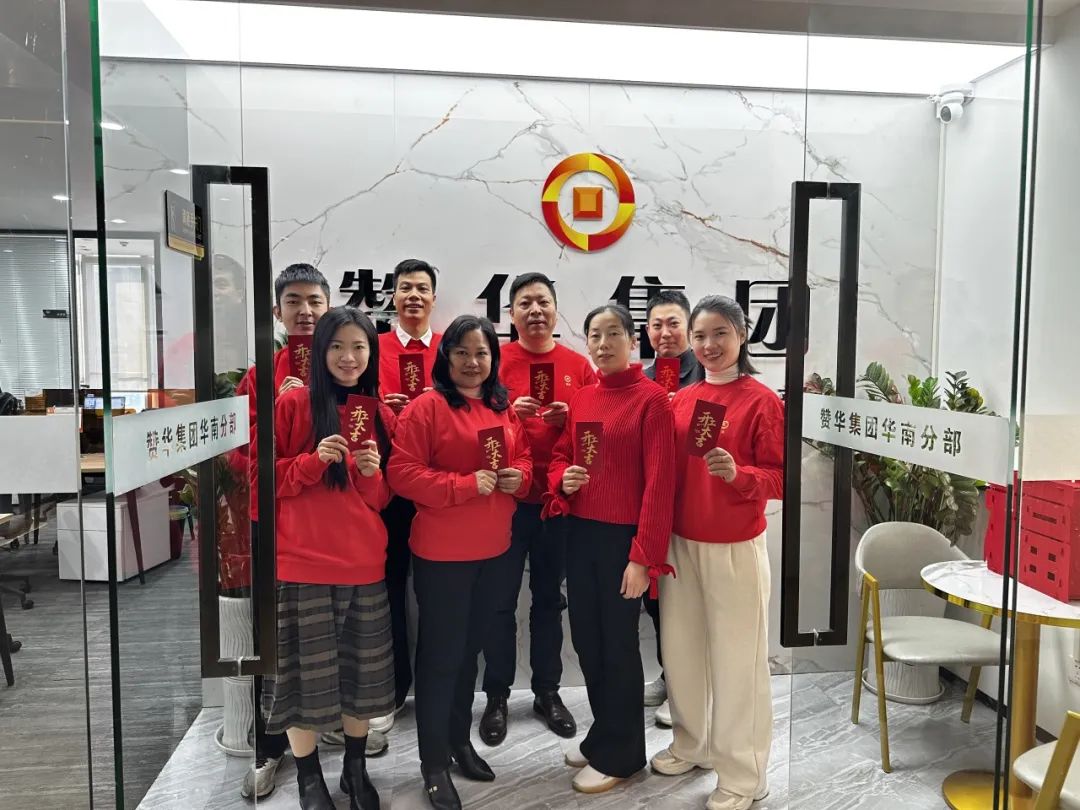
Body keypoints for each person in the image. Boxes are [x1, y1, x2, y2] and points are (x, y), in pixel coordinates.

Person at [387, 315, 532, 810]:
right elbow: (402, 474)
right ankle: (432, 763)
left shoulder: (502, 406)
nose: (472, 362)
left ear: (494, 359)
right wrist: (464, 485)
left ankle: (458, 742)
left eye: (482, 353)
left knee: (470, 654)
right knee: (440, 657)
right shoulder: (426, 408)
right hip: (444, 555)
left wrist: (519, 477)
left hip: (496, 550)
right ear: (445, 357)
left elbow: (524, 457)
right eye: (462, 352)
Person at [649, 295, 782, 810]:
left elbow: (780, 478)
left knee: (737, 663)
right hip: (681, 545)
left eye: (720, 333)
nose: (708, 345)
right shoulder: (682, 400)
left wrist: (740, 475)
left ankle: (745, 775)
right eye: (700, 336)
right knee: (682, 652)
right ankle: (692, 743)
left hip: (734, 548)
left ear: (742, 336)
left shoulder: (761, 401)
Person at [263, 307, 398, 810]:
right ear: (320, 351)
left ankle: (354, 769)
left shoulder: (376, 413)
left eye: (359, 346)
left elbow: (379, 501)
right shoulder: (292, 404)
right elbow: (262, 482)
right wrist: (311, 462)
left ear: (371, 353)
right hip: (302, 564)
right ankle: (308, 778)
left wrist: (370, 473)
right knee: (302, 683)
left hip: (363, 564)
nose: (348, 357)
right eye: (337, 346)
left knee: (362, 679)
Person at [545, 303, 676, 795]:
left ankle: (622, 754)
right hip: (581, 535)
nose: (603, 344)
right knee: (587, 641)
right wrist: (563, 476)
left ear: (632, 339)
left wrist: (643, 557)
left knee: (618, 646)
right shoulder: (583, 397)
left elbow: (660, 484)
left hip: (625, 541)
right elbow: (561, 455)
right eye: (594, 335)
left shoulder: (652, 400)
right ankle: (603, 733)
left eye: (613, 334)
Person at [478, 272, 595, 746]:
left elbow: (598, 428)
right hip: (505, 501)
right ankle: (496, 696)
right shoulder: (494, 361)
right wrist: (508, 413)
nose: (535, 310)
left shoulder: (577, 365)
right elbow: (474, 418)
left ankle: (548, 691)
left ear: (555, 309)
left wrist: (574, 417)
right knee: (499, 603)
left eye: (543, 301)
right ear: (510, 314)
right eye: (524, 303)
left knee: (549, 600)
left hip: (557, 503)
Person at [234, 262, 335, 801]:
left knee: (327, 633)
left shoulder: (346, 368)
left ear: (329, 307)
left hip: (330, 528)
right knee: (271, 636)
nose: (306, 311)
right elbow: (240, 453)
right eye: (294, 301)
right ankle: (268, 746)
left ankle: (329, 726)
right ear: (277, 312)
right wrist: (281, 406)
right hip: (274, 524)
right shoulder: (261, 376)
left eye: (315, 301)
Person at [372, 258, 444, 736]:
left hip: (440, 486)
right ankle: (392, 689)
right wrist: (384, 409)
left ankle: (440, 691)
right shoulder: (371, 346)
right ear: (393, 297)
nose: (413, 295)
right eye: (405, 288)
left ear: (434, 297)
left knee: (439, 594)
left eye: (422, 288)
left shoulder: (449, 348)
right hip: (387, 488)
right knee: (389, 591)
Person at [641, 289, 704, 723]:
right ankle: (670, 675)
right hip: (652, 507)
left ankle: (690, 688)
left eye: (673, 323)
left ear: (689, 327)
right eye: (656, 325)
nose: (665, 333)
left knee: (691, 601)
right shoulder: (643, 379)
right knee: (658, 600)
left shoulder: (708, 373)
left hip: (694, 506)